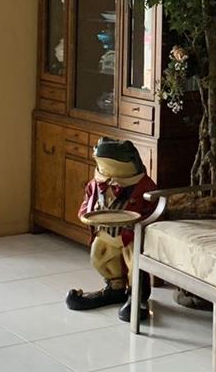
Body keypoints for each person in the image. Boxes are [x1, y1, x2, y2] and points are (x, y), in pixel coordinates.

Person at [65, 138, 155, 323]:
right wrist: (85, 213)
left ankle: (137, 296)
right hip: (105, 231)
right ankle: (115, 287)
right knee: (98, 258)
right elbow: (87, 201)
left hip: (130, 236)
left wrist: (140, 223)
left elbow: (154, 210)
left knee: (135, 265)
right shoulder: (96, 183)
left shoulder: (143, 185)